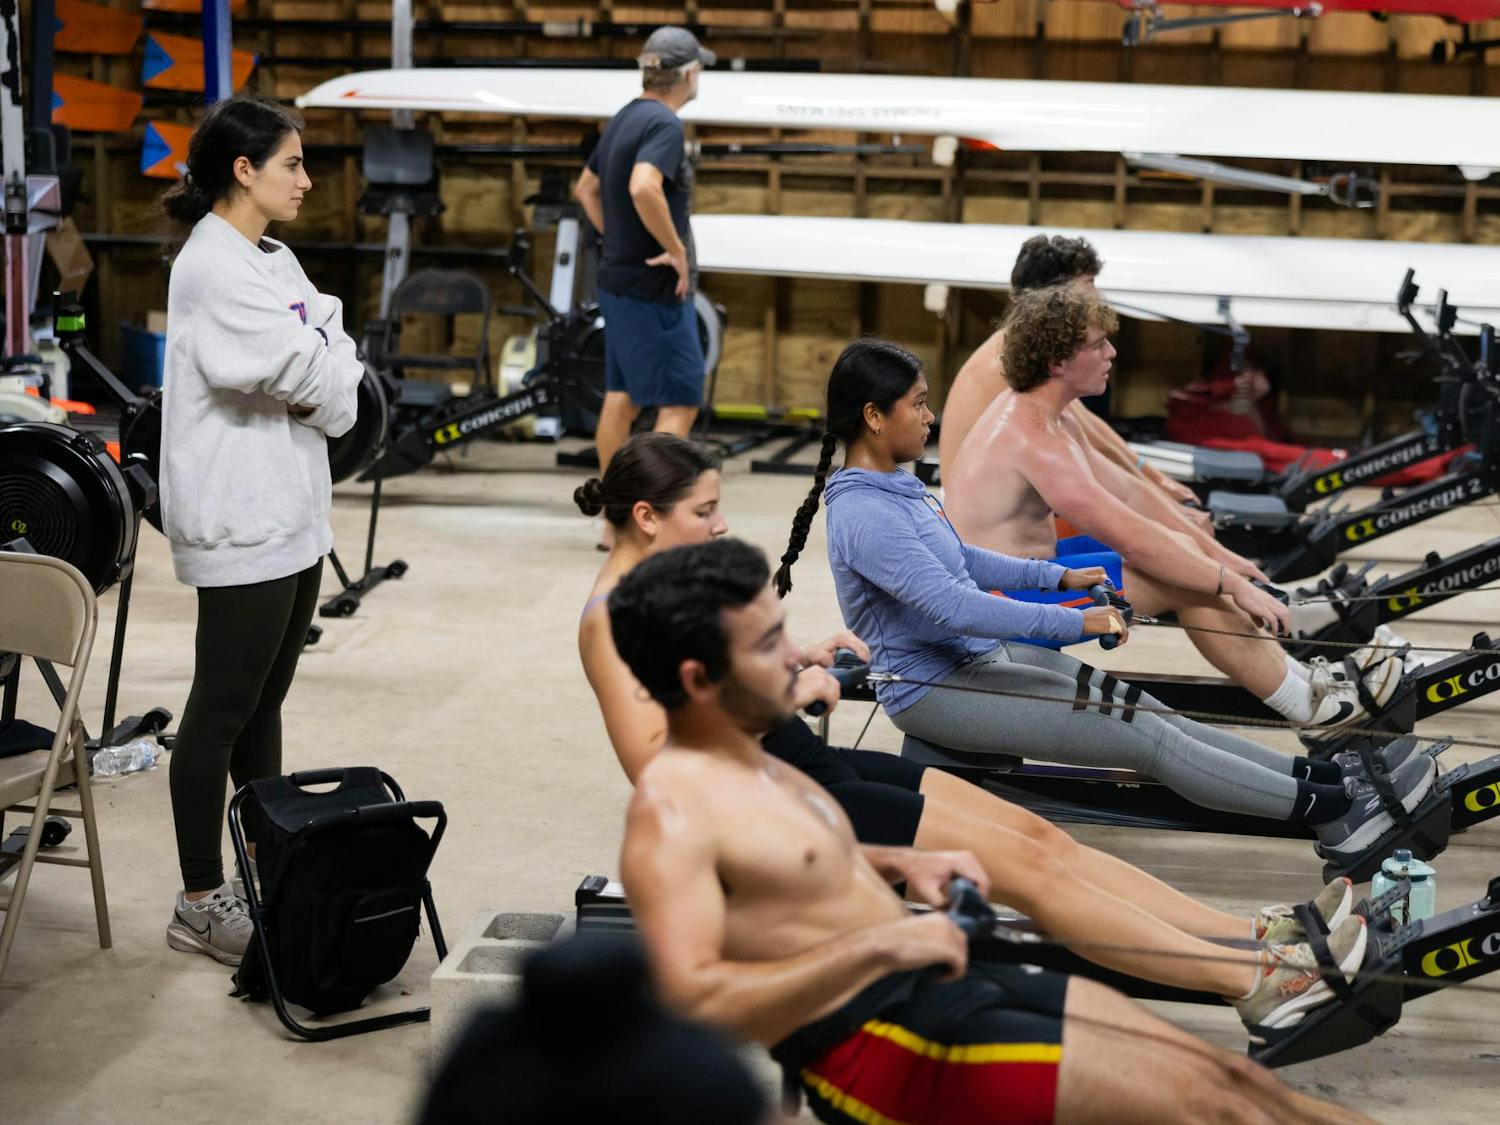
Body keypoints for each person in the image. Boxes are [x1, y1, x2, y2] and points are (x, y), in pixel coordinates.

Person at [576, 432, 1364, 1014]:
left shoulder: (663, 584)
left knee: (1044, 841)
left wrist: (787, 659)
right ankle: (1252, 982)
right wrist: (781, 693)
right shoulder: (609, 616)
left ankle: (1247, 935)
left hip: (801, 767)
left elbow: (711, 681)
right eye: (704, 510)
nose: (718, 525)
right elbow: (654, 761)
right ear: (646, 515)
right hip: (774, 801)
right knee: (1030, 875)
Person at [610, 538, 1372, 1125]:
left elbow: (779, 860)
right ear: (697, 680)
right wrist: (880, 941)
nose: (796, 653)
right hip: (885, 1050)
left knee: (1233, 1082)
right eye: (765, 645)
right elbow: (695, 998)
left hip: (942, 980)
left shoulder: (751, 748)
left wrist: (898, 859)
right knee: (1209, 1109)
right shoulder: (671, 808)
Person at [773, 338, 1435, 865]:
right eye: (917, 404)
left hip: (978, 662)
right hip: (936, 688)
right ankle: (1341, 815)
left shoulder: (902, 486)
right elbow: (953, 604)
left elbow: (965, 561)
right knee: (1143, 740)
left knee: (1156, 715)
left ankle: (1323, 777)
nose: (928, 415)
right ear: (873, 415)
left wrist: (1059, 579)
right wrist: (1074, 619)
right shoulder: (864, 511)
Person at [943, 285, 1402, 726]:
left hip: (1032, 572)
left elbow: (1127, 491)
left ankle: (1304, 679)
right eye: (1098, 344)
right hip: (1004, 605)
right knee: (1193, 585)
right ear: (1058, 360)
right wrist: (1229, 583)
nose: (1112, 355)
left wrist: (1218, 553)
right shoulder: (1035, 439)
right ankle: (1313, 708)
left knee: (1187, 554)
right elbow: (1128, 534)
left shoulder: (1045, 411)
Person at [155, 94, 362, 965]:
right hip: (241, 518)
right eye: (292, 165)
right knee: (220, 708)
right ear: (244, 170)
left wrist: (320, 351)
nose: (307, 181)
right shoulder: (215, 266)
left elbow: (338, 374)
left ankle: (269, 859)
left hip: (292, 514)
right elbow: (305, 364)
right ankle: (200, 896)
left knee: (264, 702)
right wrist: (320, 351)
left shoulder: (270, 257)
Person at [937, 234, 1198, 513]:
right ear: (1055, 297)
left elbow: (1091, 428)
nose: (1097, 296)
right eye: (1088, 284)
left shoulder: (1027, 349)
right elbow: (1094, 458)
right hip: (974, 526)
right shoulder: (1010, 363)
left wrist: (1154, 478)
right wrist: (1164, 502)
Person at [573, 26, 714, 476]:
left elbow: (586, 189)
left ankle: (617, 518)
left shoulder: (625, 117)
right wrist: (674, 250)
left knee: (623, 398)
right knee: (681, 401)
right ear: (690, 73)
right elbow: (643, 186)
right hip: (655, 290)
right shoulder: (665, 125)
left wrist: (620, 239)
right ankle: (651, 515)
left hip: (619, 280)